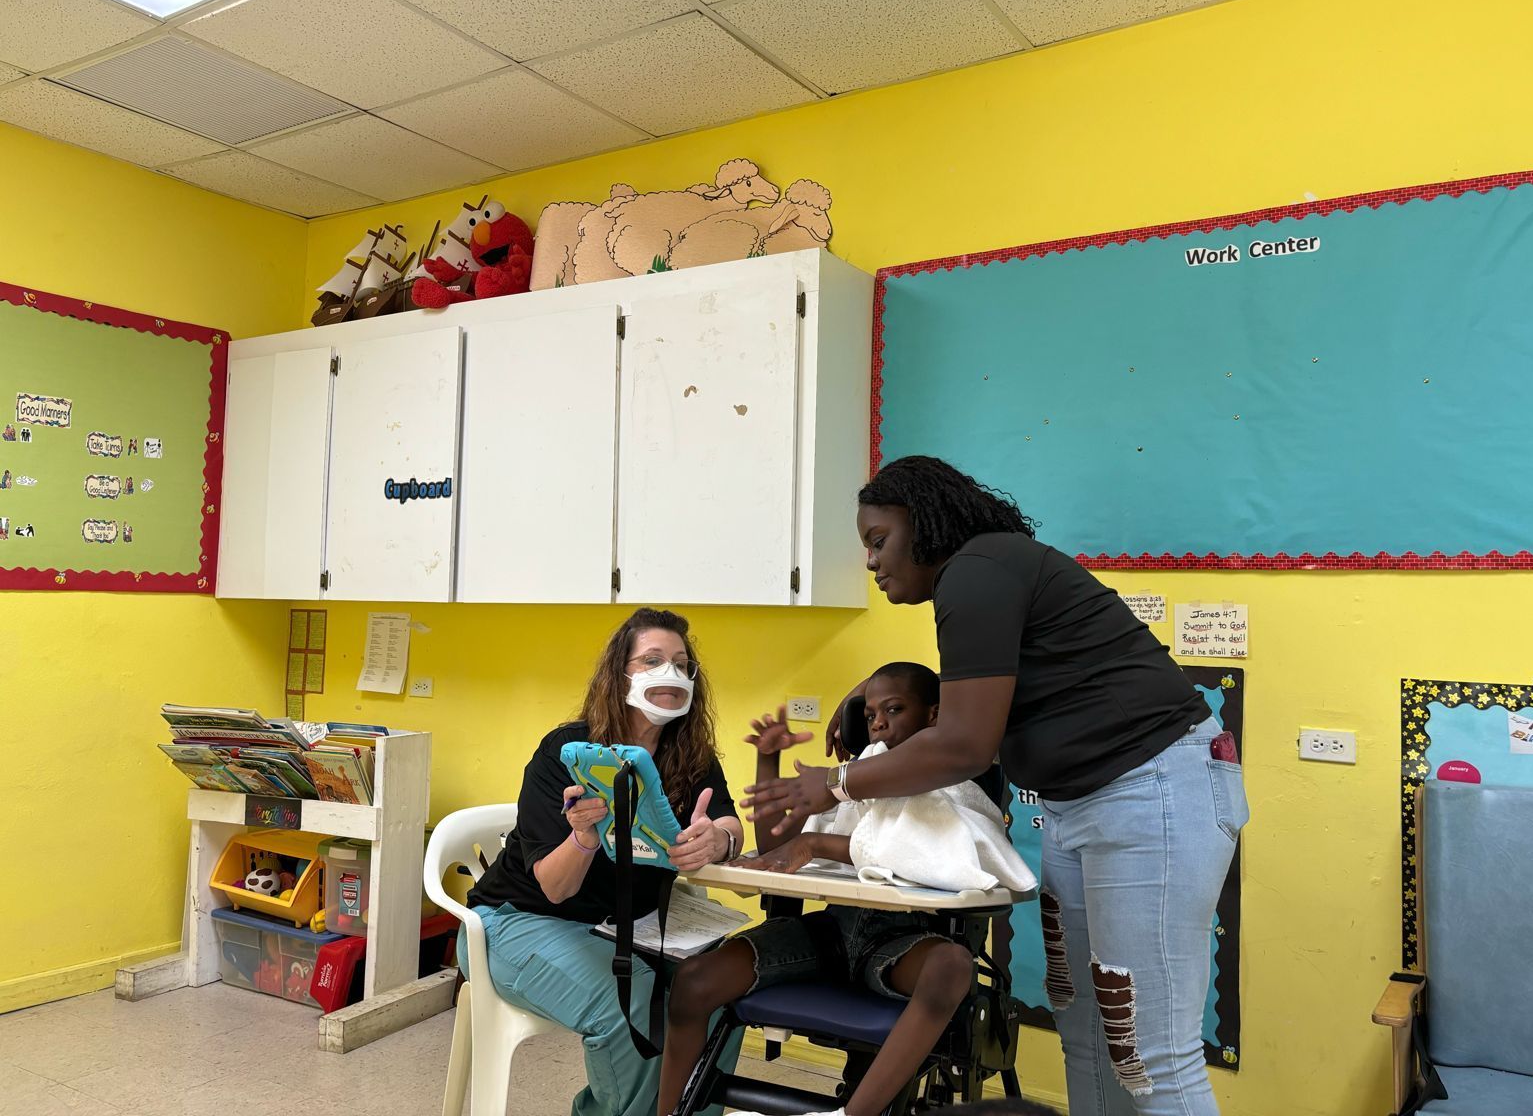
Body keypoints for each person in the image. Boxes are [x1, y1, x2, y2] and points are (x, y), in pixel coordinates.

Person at [746, 456, 1249, 1116]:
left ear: (923, 525)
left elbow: (961, 743)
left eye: (877, 540)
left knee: (1152, 1052)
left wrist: (837, 783)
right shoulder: (985, 576)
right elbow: (961, 716)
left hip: (1150, 792)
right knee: (1092, 1037)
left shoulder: (977, 570)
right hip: (1082, 807)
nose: (870, 561)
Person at [660, 663, 998, 1116]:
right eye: (871, 713)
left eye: (893, 710)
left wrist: (817, 842)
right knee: (693, 979)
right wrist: (768, 760)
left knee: (952, 967)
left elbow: (939, 853)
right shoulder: (853, 774)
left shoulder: (955, 778)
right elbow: (776, 846)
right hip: (830, 935)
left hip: (899, 944)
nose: (877, 722)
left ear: (934, 716)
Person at [463, 607, 746, 1116]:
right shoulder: (567, 752)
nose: (671, 674)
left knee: (717, 990)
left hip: (621, 926)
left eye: (682, 664)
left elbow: (730, 824)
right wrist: (584, 837)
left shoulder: (692, 756)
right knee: (632, 1001)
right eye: (653, 660)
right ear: (620, 676)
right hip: (515, 923)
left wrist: (717, 841)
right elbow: (553, 887)